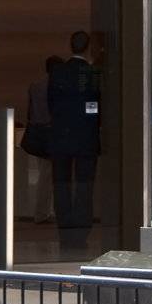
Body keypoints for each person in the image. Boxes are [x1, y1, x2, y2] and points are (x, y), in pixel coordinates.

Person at [47, 30, 101, 257]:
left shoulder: (57, 72)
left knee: (61, 185)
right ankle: (80, 233)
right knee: (84, 186)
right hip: (86, 137)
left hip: (60, 137)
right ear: (88, 47)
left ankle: (64, 232)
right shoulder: (91, 72)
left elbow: (52, 104)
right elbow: (95, 104)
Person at [25, 56, 62, 224]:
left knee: (44, 175)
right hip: (53, 134)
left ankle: (43, 212)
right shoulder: (59, 88)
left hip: (38, 134)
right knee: (50, 176)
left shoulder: (35, 86)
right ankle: (44, 213)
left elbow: (30, 113)